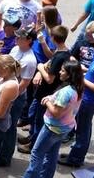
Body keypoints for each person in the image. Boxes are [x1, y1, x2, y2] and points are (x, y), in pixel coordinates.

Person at [11, 60, 83, 178]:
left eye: (63, 71)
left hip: (53, 128)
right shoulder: (77, 89)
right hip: (65, 127)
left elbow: (56, 113)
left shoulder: (66, 92)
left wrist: (48, 101)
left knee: (37, 154)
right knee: (52, 154)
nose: (60, 72)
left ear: (69, 75)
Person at [59, 32, 94, 167]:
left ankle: (76, 159)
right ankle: (76, 154)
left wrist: (81, 79)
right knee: (83, 126)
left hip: (90, 100)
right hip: (86, 98)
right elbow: (90, 72)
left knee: (83, 129)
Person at [19, 25, 72, 153]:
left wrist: (40, 68)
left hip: (47, 93)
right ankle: (31, 137)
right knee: (32, 114)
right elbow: (50, 60)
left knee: (38, 120)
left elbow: (49, 79)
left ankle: (33, 144)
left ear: (53, 38)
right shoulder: (63, 51)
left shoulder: (60, 56)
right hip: (42, 92)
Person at [0, 28, 38, 167]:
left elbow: (24, 83)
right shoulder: (15, 49)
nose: (17, 39)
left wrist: (9, 97)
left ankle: (5, 157)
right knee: (1, 123)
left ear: (29, 41)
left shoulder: (30, 60)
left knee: (9, 127)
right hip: (4, 90)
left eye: (20, 38)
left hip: (15, 97)